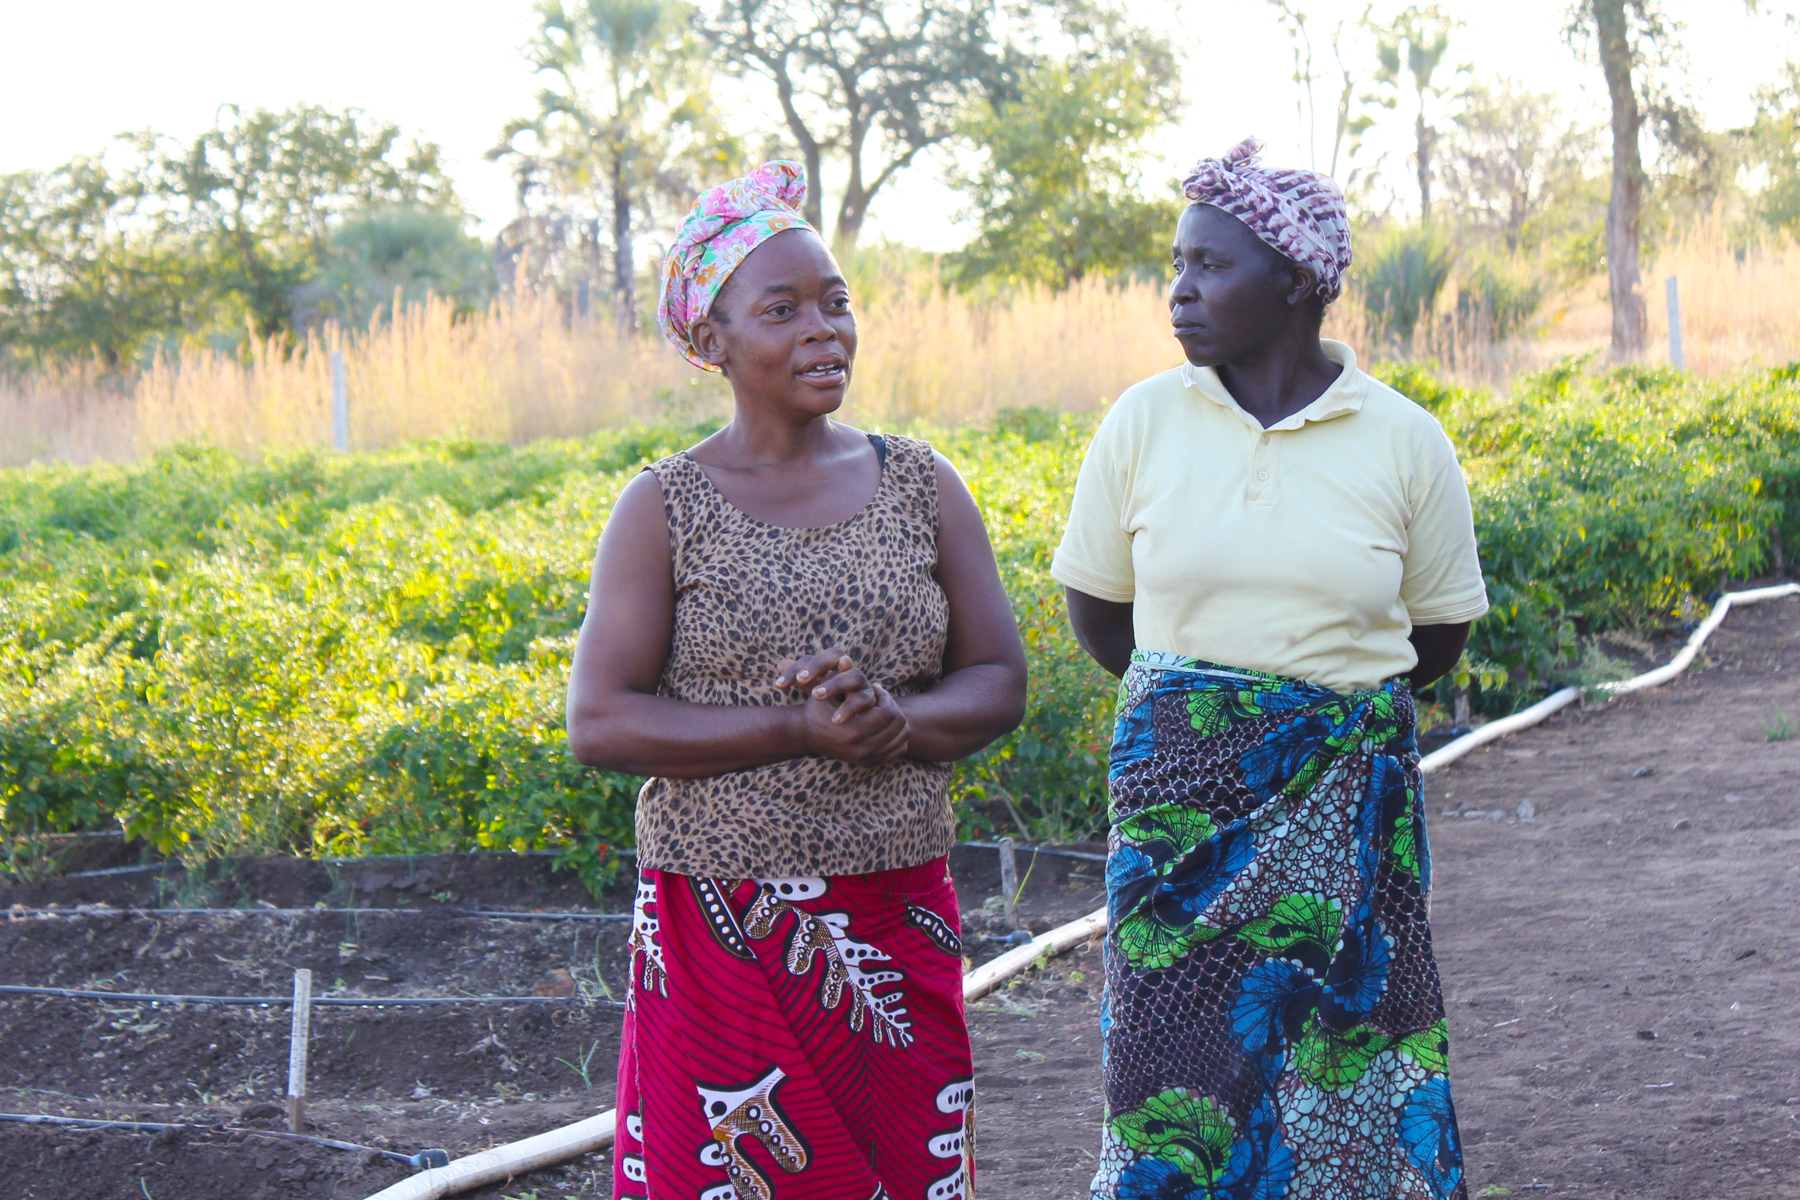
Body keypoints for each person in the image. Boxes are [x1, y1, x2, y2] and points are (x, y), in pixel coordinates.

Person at [565, 161, 1026, 1200]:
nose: (824, 329)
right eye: (783, 309)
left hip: (895, 913)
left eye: (836, 302)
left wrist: (893, 720)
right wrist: (799, 730)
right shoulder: (664, 506)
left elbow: (998, 679)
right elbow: (600, 722)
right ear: (712, 341)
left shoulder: (921, 483)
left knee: (902, 1176)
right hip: (720, 930)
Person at [1051, 138, 1488, 1200]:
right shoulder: (1143, 422)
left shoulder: (1403, 440)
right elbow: (1103, 617)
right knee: (1173, 1068)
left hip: (1343, 807)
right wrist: (1209, 714)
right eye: (1176, 264)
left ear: (1295, 282)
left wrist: (1310, 713)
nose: (1179, 292)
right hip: (1177, 824)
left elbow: (1435, 640)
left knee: (1348, 1055)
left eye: (1211, 266)